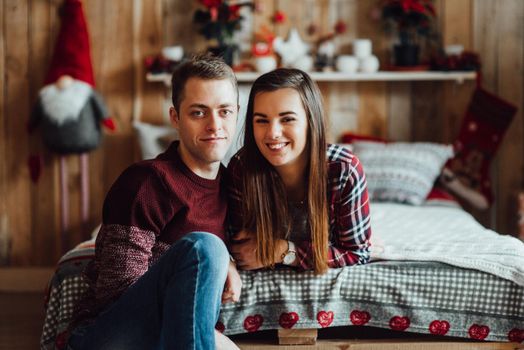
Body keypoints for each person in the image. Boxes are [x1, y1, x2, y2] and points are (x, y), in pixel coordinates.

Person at [67, 54, 242, 350]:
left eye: (224, 111)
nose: (215, 125)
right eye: (198, 113)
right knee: (205, 246)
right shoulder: (146, 182)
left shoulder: (233, 187)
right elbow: (115, 293)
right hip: (107, 335)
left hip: (177, 334)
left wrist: (229, 261)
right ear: (175, 117)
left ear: (237, 113)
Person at [227, 68, 371, 274]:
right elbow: (243, 250)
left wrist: (283, 251)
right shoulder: (240, 169)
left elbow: (357, 255)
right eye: (261, 120)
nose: (273, 133)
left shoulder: (344, 170)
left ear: (310, 122)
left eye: (287, 119)